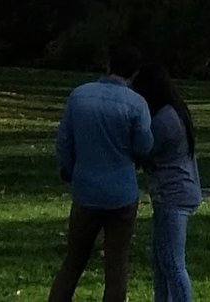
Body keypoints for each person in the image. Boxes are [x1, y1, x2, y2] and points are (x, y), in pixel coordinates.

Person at [48, 45, 154, 302]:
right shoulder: (136, 104)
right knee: (117, 265)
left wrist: (73, 170)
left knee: (74, 261)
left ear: (108, 64)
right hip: (121, 193)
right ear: (135, 73)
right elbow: (145, 146)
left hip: (86, 191)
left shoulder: (79, 96)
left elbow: (64, 141)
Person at [137, 62, 203, 302]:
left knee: (173, 263)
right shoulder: (174, 113)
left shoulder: (165, 120)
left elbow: (144, 149)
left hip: (173, 195)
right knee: (161, 260)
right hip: (176, 193)